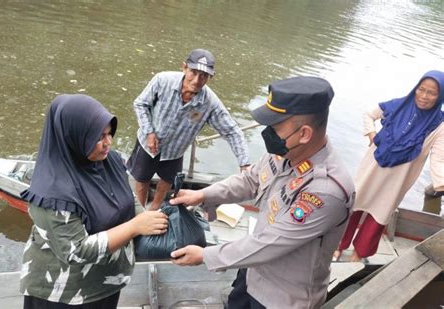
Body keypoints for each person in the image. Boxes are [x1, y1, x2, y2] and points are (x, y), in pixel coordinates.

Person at [169, 76, 354, 308]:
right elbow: (251, 179)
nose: (268, 133)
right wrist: (205, 195)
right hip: (251, 271)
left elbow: (271, 243)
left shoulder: (326, 190)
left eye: (276, 127)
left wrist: (206, 256)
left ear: (304, 133)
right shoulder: (287, 150)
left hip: (282, 296)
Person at [19, 94, 168, 308]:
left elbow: (129, 198)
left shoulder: (110, 161)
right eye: (98, 137)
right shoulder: (52, 193)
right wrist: (135, 227)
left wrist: (147, 218)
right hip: (66, 292)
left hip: (106, 281)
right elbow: (77, 251)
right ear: (75, 138)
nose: (108, 143)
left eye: (109, 133)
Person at [334, 70, 444, 262]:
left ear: (440, 96)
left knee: (379, 214)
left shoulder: (439, 126)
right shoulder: (399, 105)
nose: (424, 96)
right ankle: (337, 245)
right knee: (354, 204)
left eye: (432, 93)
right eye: (421, 89)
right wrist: (371, 134)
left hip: (398, 178)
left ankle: (358, 255)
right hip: (372, 167)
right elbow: (369, 114)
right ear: (415, 88)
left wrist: (441, 184)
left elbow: (438, 159)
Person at [128, 48, 251, 210]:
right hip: (148, 144)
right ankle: (141, 212)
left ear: (210, 77)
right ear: (184, 67)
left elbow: (232, 131)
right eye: (193, 72)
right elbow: (140, 104)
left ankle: (155, 208)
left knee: (166, 181)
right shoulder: (162, 80)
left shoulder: (210, 103)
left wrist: (245, 164)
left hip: (175, 152)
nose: (197, 80)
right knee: (142, 180)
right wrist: (148, 131)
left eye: (204, 76)